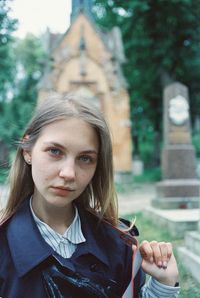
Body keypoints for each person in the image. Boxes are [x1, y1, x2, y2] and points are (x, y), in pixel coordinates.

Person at [0, 94, 180, 297]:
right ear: (28, 150)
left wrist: (162, 285)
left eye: (85, 158)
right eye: (55, 151)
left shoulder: (120, 244)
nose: (68, 173)